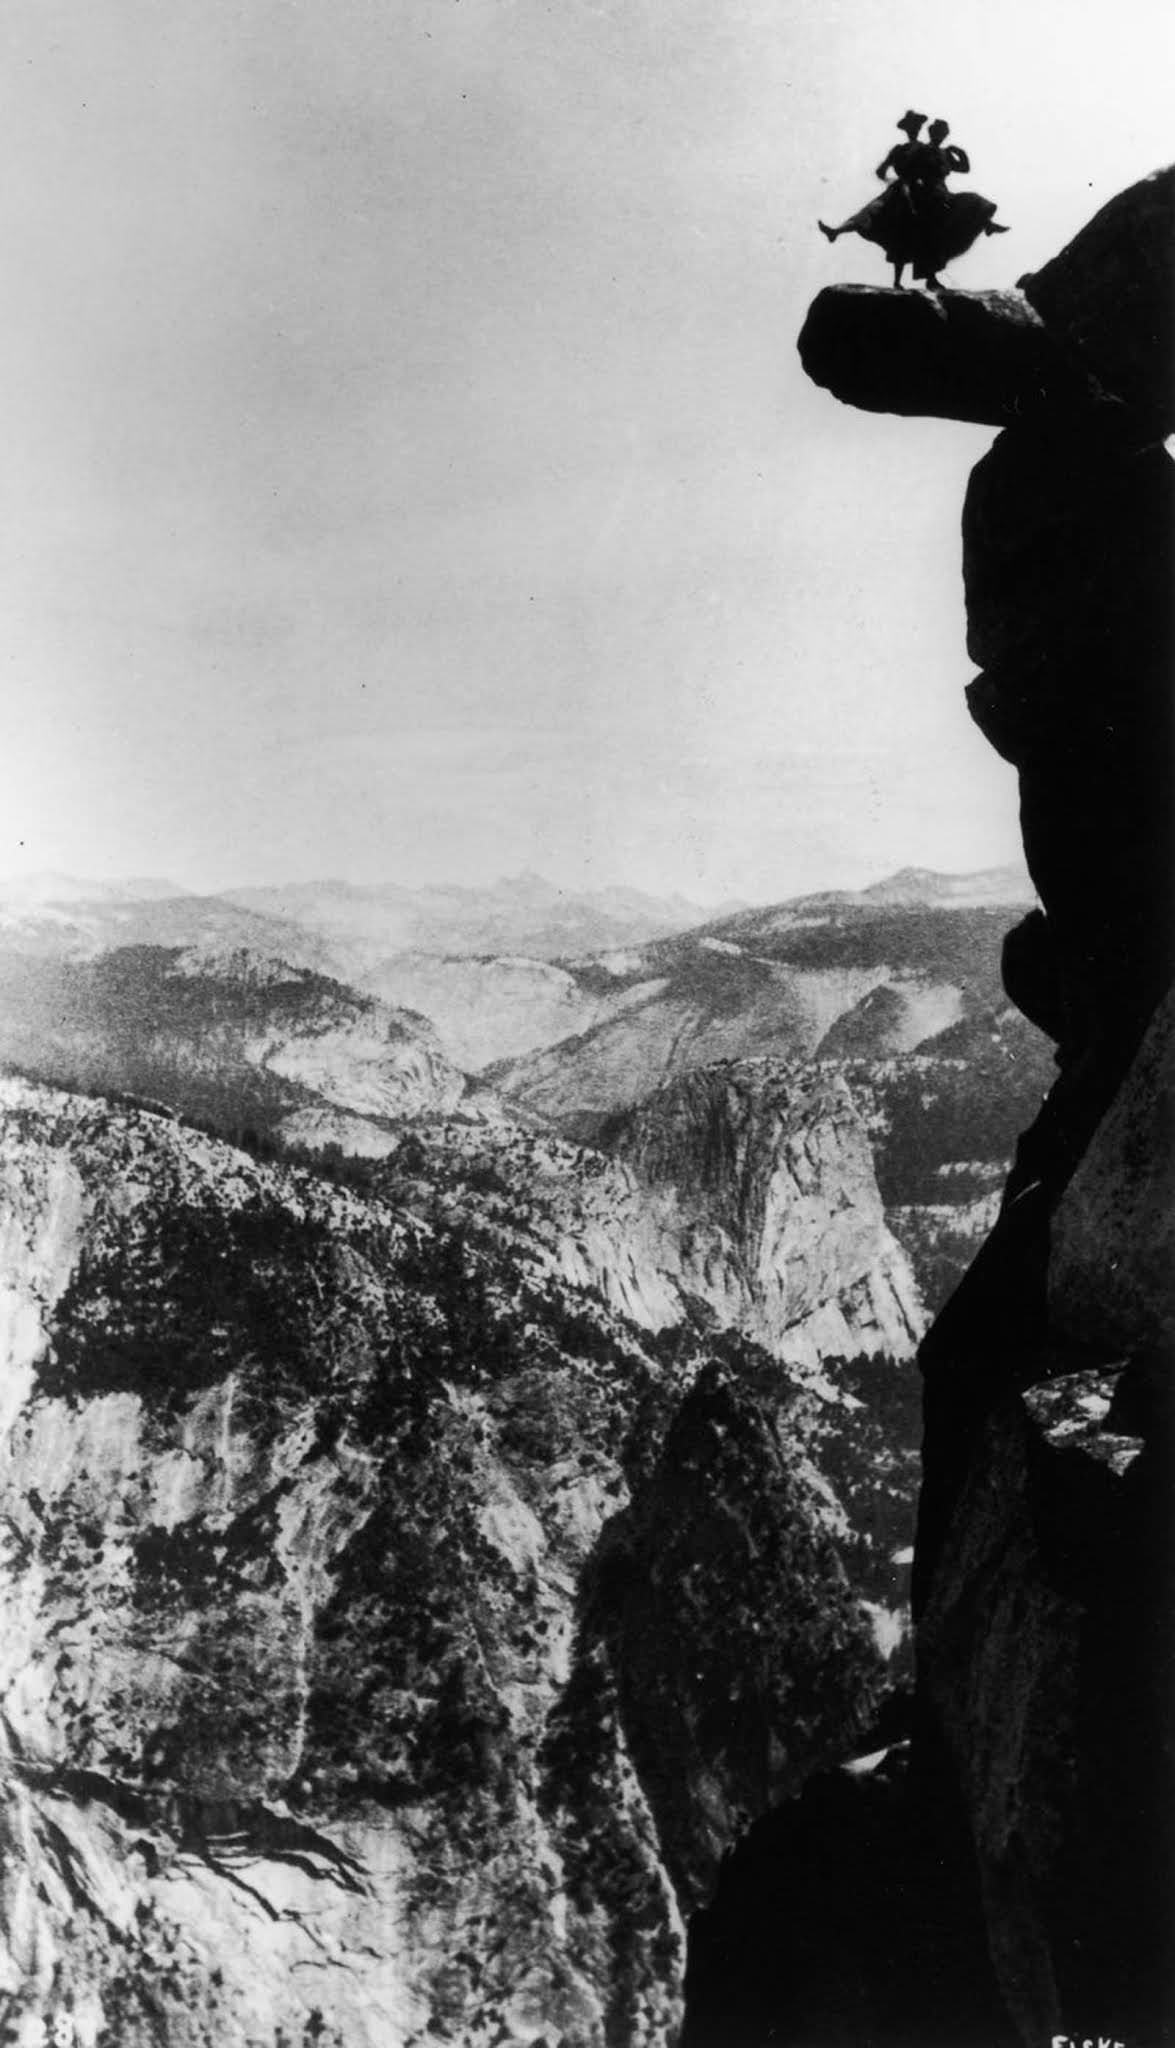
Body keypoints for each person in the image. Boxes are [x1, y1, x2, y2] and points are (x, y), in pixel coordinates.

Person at [818, 111, 1009, 289]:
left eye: (917, 126)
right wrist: (898, 180)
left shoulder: (936, 151)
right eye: (913, 127)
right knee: (875, 217)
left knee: (967, 204)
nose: (916, 130)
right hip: (914, 193)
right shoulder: (912, 150)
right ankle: (837, 231)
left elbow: (961, 168)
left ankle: (987, 224)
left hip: (934, 194)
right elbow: (893, 170)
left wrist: (958, 152)